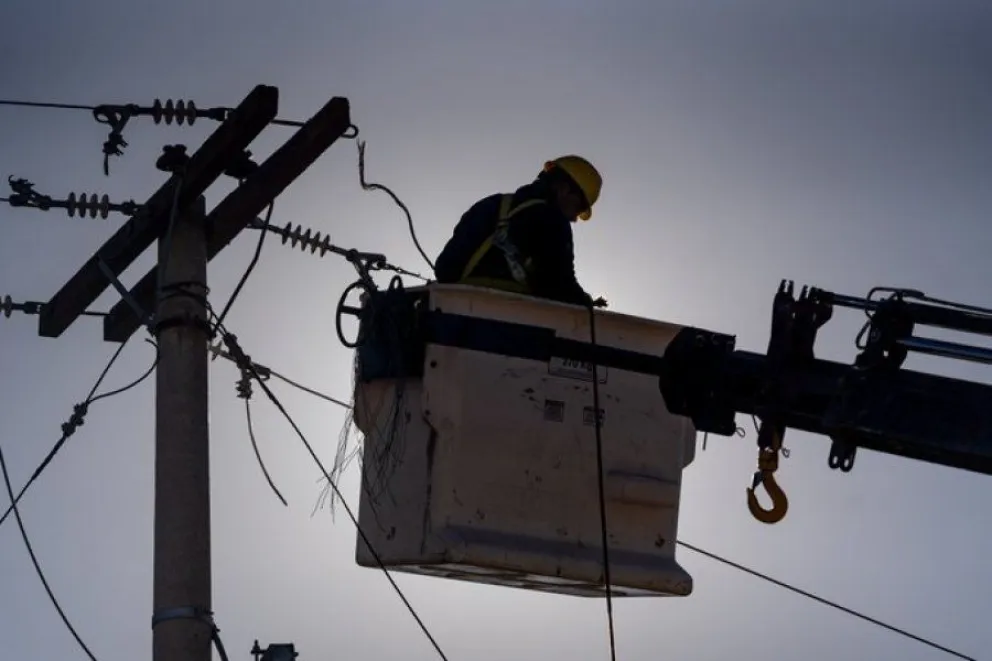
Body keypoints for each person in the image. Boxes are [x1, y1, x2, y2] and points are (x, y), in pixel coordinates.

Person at [433, 155, 607, 308]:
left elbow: (444, 268)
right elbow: (558, 286)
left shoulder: (493, 204)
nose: (574, 218)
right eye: (579, 207)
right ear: (564, 189)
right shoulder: (551, 219)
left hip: (449, 312)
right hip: (500, 322)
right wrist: (585, 302)